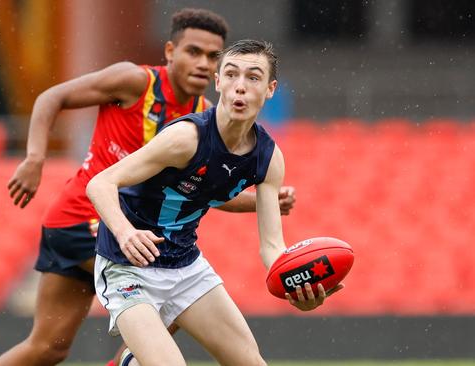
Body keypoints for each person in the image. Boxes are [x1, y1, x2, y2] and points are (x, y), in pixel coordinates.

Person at [2, 9, 296, 366]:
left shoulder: (218, 122)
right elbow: (53, 100)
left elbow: (199, 190)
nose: (203, 63)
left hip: (153, 244)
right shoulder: (137, 84)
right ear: (170, 51)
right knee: (152, 295)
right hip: (80, 220)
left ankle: (129, 359)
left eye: (211, 56)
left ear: (268, 88)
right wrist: (35, 157)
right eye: (194, 52)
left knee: (50, 348)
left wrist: (264, 207)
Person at [86, 39, 343, 366]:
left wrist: (296, 284)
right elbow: (101, 183)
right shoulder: (186, 139)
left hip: (185, 265)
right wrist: (125, 232)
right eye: (231, 75)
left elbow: (272, 247)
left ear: (270, 89)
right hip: (127, 266)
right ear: (218, 81)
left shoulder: (268, 158)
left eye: (253, 77)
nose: (240, 87)